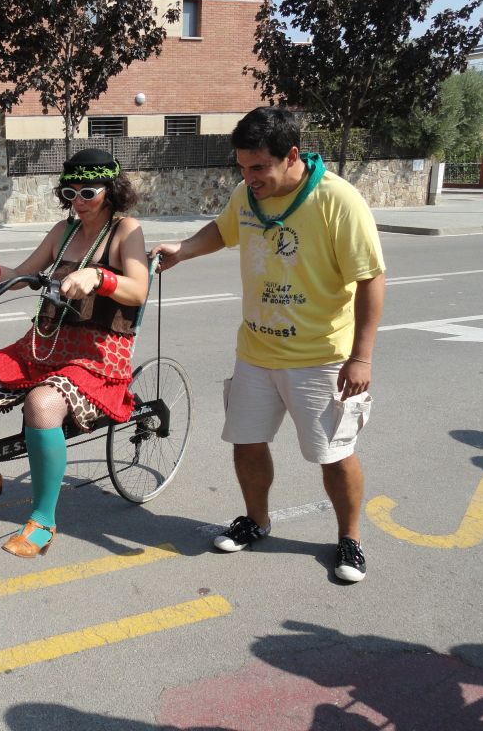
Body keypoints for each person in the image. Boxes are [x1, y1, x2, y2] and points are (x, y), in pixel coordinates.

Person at [151, 107, 386, 583]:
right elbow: (223, 229)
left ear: (291, 155)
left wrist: (361, 356)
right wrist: (184, 249)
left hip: (321, 356)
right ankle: (256, 520)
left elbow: (371, 278)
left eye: (258, 167)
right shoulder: (248, 194)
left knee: (334, 454)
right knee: (247, 444)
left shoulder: (337, 199)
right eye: (241, 166)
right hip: (256, 352)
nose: (248, 176)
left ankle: (350, 538)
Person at [0, 148, 149, 557]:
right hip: (45, 342)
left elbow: (138, 288)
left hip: (98, 353)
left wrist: (98, 276)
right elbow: (21, 276)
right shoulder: (63, 231)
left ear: (111, 190)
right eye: (69, 192)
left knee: (42, 405)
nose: (78, 202)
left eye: (88, 192)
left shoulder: (126, 231)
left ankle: (43, 519)